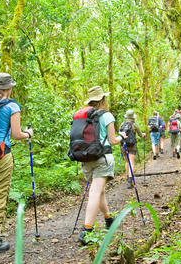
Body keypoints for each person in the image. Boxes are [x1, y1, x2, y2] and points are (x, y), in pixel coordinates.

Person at [0, 73, 34, 256]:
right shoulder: (12, 106)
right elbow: (17, 134)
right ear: (9, 88)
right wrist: (29, 134)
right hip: (1, 155)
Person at [78, 86, 127, 245]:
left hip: (85, 159)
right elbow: (113, 141)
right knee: (96, 191)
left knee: (99, 191)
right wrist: (122, 136)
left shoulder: (82, 116)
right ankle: (87, 231)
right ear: (102, 100)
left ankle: (108, 219)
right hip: (102, 157)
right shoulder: (107, 116)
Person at [120, 110, 145, 189]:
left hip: (124, 145)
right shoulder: (134, 125)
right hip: (132, 145)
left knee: (127, 162)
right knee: (131, 162)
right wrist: (143, 135)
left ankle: (127, 177)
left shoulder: (122, 124)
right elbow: (141, 135)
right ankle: (130, 181)